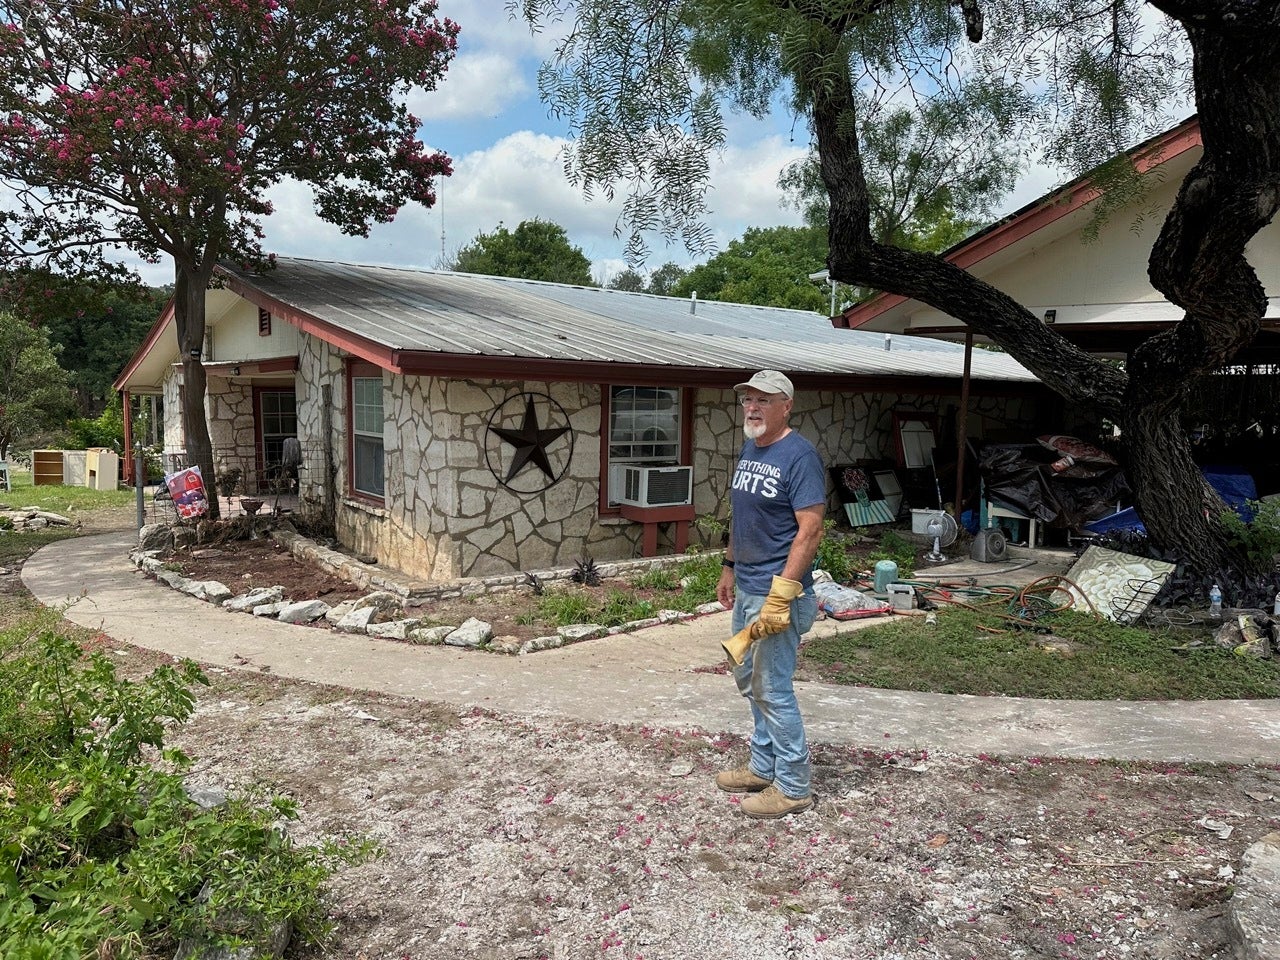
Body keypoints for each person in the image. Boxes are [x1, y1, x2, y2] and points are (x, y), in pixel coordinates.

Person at [715, 370, 826, 819]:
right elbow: (742, 517)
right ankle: (763, 766)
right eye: (748, 400)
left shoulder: (799, 457)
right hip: (748, 586)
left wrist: (781, 594)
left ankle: (795, 786)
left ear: (787, 406)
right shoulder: (751, 447)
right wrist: (728, 566)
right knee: (749, 681)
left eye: (764, 399)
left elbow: (810, 530)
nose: (753, 407)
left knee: (772, 688)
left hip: (778, 593)